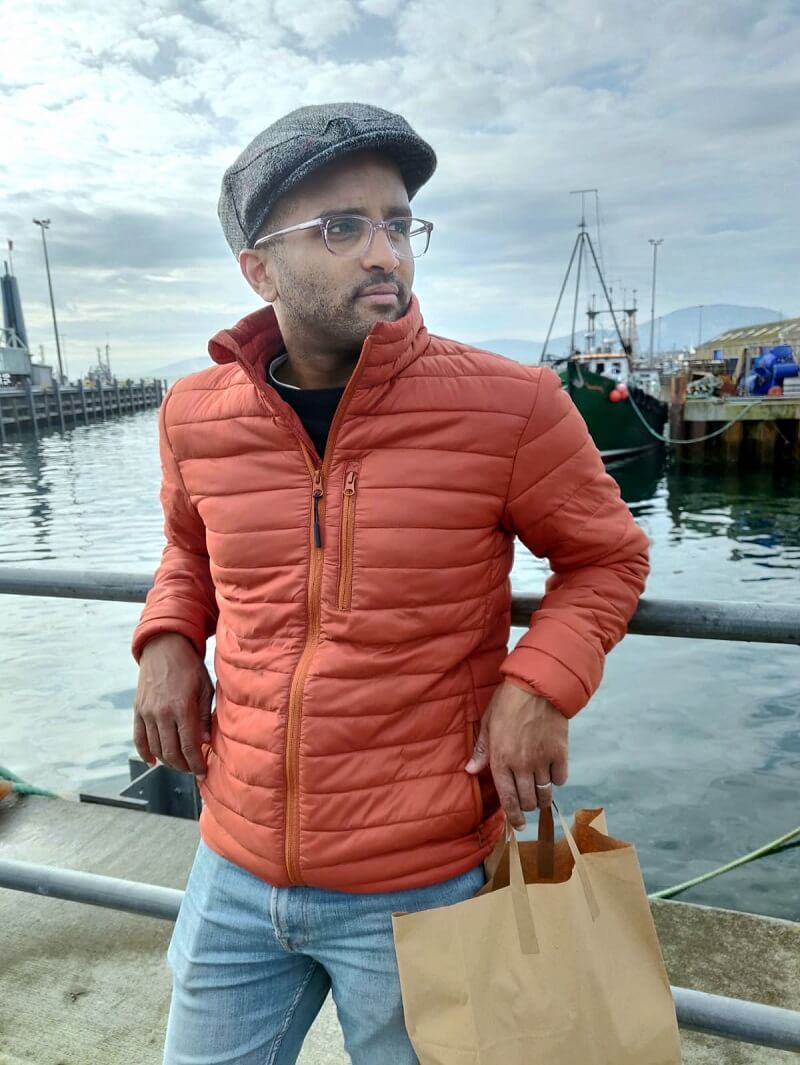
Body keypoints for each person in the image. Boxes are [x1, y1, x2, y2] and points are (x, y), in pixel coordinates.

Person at [131, 102, 650, 1065]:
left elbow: (607, 555)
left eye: (399, 223)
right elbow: (187, 550)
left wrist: (538, 684)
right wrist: (166, 640)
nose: (386, 254)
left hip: (423, 884)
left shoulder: (512, 406)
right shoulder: (193, 411)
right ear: (257, 267)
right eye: (342, 227)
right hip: (232, 863)